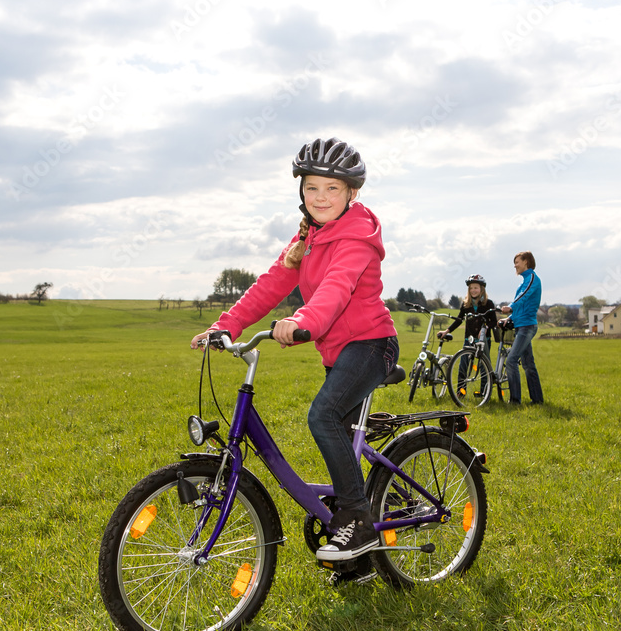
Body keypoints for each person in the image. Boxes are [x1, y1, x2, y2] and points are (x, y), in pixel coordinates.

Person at [191, 137, 398, 567]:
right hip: (338, 354)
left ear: (352, 193)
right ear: (300, 191)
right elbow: (271, 284)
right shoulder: (307, 235)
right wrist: (224, 325)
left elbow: (336, 290)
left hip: (372, 345)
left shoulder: (357, 236)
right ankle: (357, 559)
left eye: (332, 189)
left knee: (322, 417)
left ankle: (357, 520)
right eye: (311, 188)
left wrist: (304, 321)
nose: (321, 197)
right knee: (336, 433)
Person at [440, 275, 498, 393]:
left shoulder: (488, 304)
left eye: (476, 288)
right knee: (463, 365)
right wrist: (447, 331)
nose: (473, 290)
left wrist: (486, 327)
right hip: (469, 339)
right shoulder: (466, 304)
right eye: (471, 288)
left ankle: (484, 392)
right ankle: (460, 393)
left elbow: (494, 322)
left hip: (484, 340)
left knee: (483, 367)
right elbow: (459, 320)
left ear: (481, 289)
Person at [500, 251, 544, 405]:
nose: (515, 266)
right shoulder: (524, 281)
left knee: (511, 360)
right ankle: (537, 400)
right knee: (528, 364)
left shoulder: (532, 278)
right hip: (521, 325)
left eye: (517, 262)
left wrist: (510, 307)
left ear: (526, 261)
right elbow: (523, 305)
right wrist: (510, 318)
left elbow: (523, 296)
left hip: (527, 326)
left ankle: (514, 400)